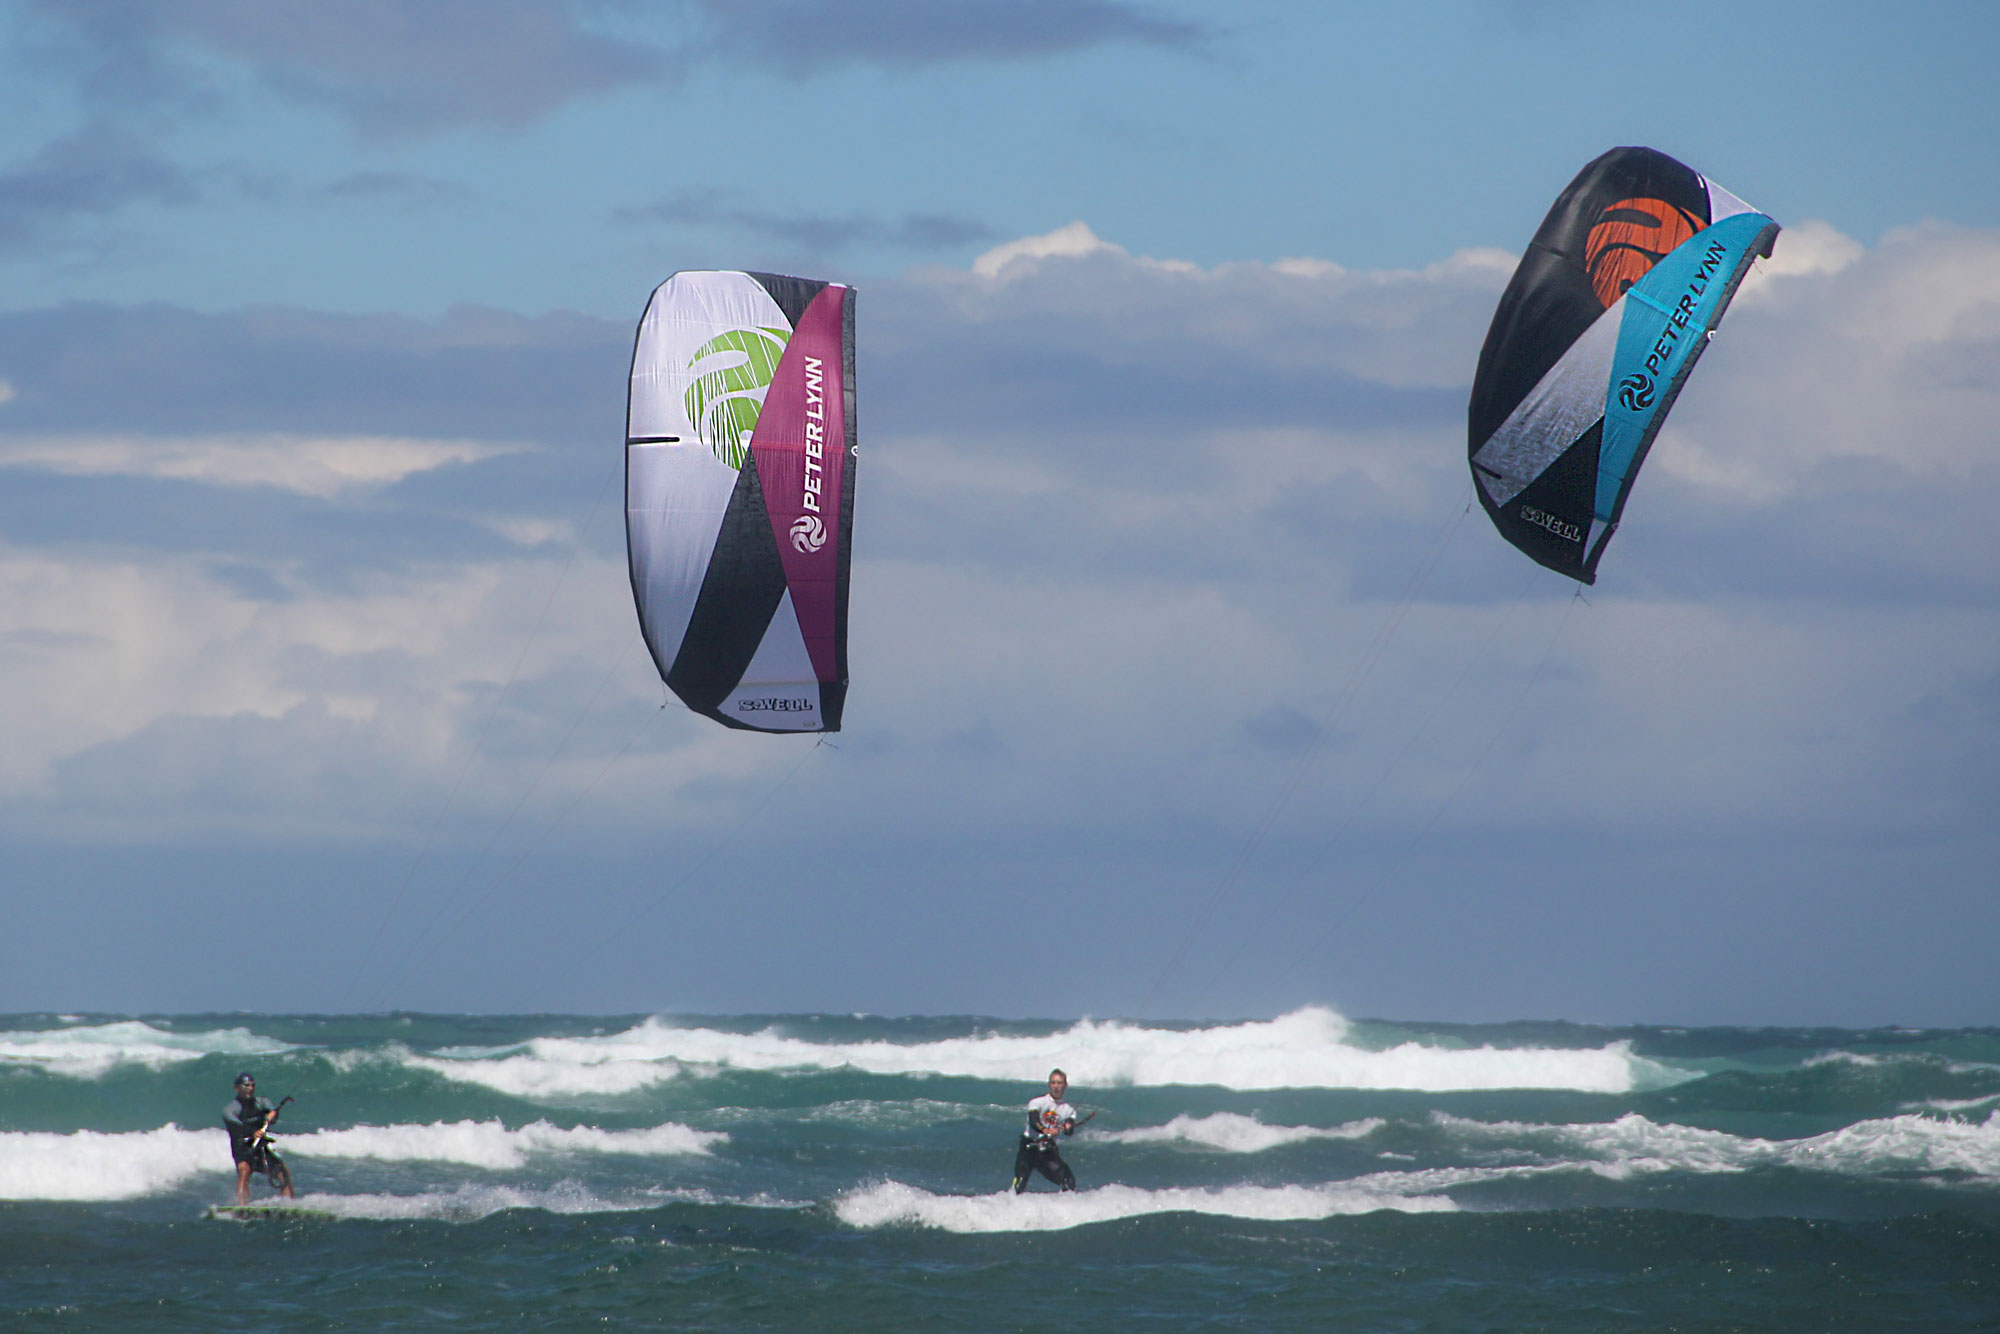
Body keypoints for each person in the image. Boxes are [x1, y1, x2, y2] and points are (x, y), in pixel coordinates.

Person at [1011, 1068, 1088, 1193]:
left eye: (1059, 1083)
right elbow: (1033, 1121)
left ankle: (1064, 1204)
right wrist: (1045, 1130)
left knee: (1068, 1182)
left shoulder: (1069, 1110)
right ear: (1049, 1084)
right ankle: (1010, 1202)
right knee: (1019, 1185)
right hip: (1029, 1148)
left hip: (1047, 1151)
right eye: (1053, 1083)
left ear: (1065, 1085)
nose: (1056, 1086)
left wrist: (1065, 1127)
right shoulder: (1037, 1102)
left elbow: (1069, 1131)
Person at [223, 1072, 293, 1205]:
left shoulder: (261, 1102)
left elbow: (271, 1111)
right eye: (246, 1085)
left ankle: (289, 1205)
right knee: (244, 1170)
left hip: (260, 1148)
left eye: (252, 1085)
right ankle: (242, 1206)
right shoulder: (230, 1110)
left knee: (282, 1171)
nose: (250, 1088)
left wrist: (272, 1115)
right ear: (237, 1088)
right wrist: (253, 1132)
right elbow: (238, 1127)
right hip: (243, 1149)